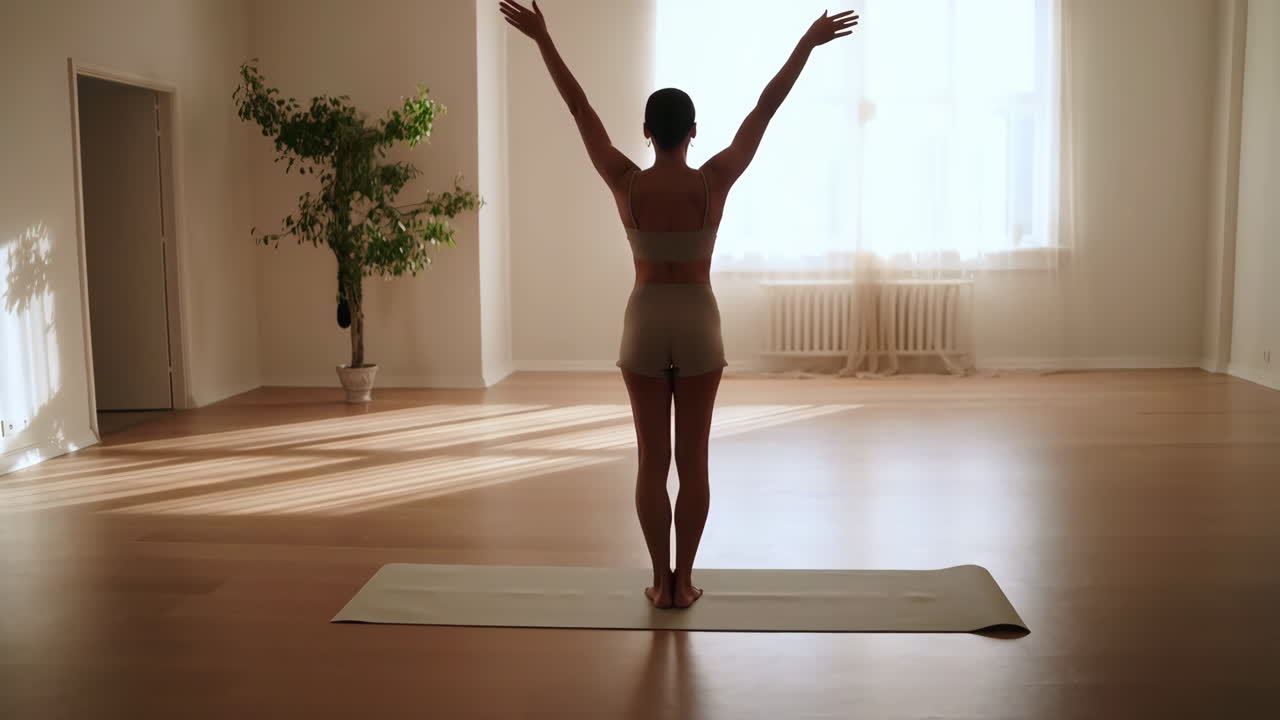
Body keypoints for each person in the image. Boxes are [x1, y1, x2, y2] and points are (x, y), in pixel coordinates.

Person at [500, 1, 859, 608]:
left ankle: (657, 582)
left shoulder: (626, 182)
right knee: (693, 461)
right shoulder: (713, 181)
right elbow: (764, 108)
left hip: (644, 319)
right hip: (697, 319)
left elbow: (579, 108)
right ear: (693, 131)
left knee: (650, 462)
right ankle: (683, 581)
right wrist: (807, 43)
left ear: (646, 131)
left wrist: (543, 39)